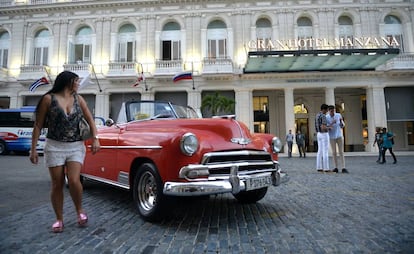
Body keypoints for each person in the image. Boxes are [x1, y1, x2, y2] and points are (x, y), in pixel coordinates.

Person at [29, 71, 101, 233]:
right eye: (76, 81)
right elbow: (38, 125)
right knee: (57, 183)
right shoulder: (48, 99)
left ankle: (79, 211)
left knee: (74, 180)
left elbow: (90, 119)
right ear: (67, 82)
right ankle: (59, 219)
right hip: (54, 146)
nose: (78, 83)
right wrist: (33, 149)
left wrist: (95, 138)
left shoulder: (79, 99)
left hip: (75, 145)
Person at [326, 105, 348, 173]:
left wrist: (341, 122)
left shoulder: (338, 115)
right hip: (331, 136)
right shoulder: (326, 117)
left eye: (334, 111)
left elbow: (343, 125)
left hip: (339, 135)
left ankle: (343, 167)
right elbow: (327, 127)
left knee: (341, 152)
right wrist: (332, 123)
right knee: (334, 152)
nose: (333, 112)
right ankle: (336, 167)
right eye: (331, 111)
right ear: (329, 111)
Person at [315, 104, 330, 172]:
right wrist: (329, 128)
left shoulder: (317, 115)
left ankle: (319, 167)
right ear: (324, 109)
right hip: (324, 134)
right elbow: (323, 127)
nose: (327, 111)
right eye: (327, 110)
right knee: (325, 151)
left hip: (318, 134)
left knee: (319, 151)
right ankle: (326, 168)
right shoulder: (323, 116)